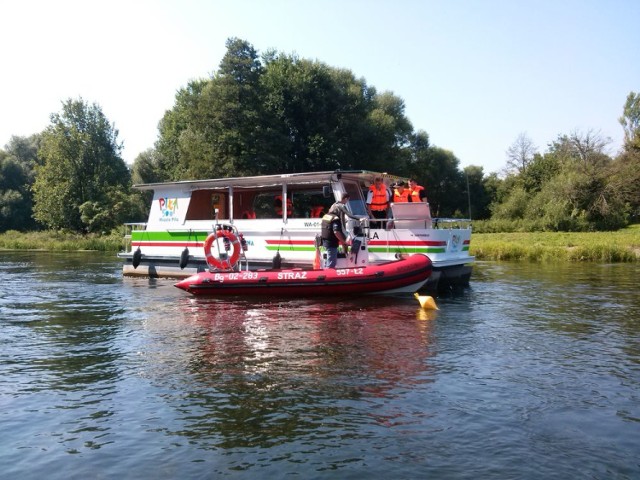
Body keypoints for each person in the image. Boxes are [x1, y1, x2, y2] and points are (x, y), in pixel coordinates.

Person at [320, 193, 353, 268]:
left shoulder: (326, 217)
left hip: (326, 241)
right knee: (331, 262)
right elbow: (336, 231)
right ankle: (329, 274)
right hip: (331, 243)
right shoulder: (335, 219)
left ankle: (327, 270)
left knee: (328, 259)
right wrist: (343, 242)